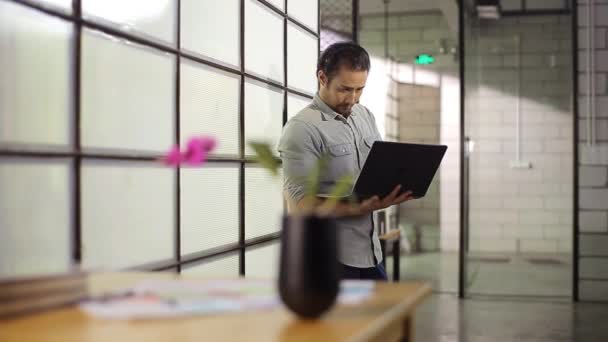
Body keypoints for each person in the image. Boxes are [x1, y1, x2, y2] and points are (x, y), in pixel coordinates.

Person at [277, 42, 415, 280]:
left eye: (359, 89)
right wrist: (360, 207)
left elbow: (378, 167)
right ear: (322, 77)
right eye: (344, 89)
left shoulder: (364, 115)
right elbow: (300, 206)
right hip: (330, 260)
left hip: (371, 253)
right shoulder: (302, 129)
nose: (352, 99)